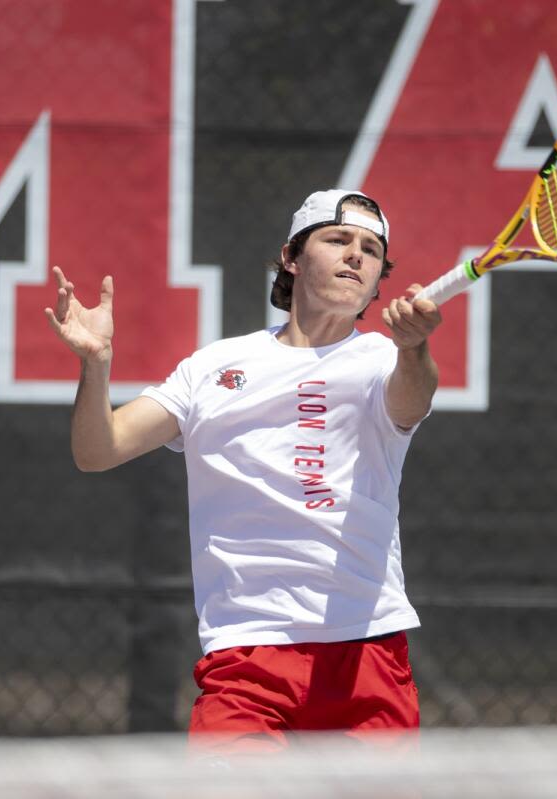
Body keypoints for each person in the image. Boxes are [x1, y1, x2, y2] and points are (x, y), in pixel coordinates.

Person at [44, 189, 442, 752]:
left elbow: (410, 400)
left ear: (379, 280)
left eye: (371, 250)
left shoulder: (385, 360)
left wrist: (415, 349)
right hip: (247, 653)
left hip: (367, 650)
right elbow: (97, 450)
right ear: (292, 257)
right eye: (338, 240)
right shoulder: (213, 367)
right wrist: (95, 365)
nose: (356, 255)